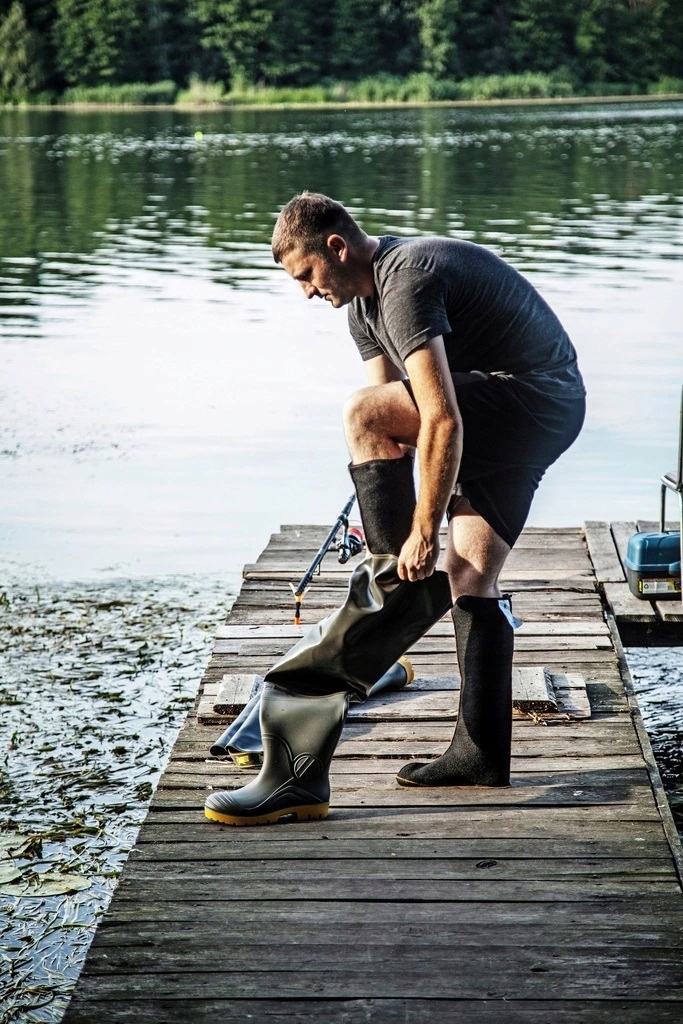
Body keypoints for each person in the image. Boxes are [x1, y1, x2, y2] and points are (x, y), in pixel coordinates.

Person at [204, 192, 585, 827]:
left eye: (305, 276)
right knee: (471, 575)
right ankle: (480, 753)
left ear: (336, 247)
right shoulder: (361, 308)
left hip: (530, 400)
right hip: (538, 413)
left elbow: (436, 418)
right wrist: (385, 497)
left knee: (360, 412)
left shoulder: (406, 279)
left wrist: (419, 530)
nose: (305, 293)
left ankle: (388, 596)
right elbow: (400, 420)